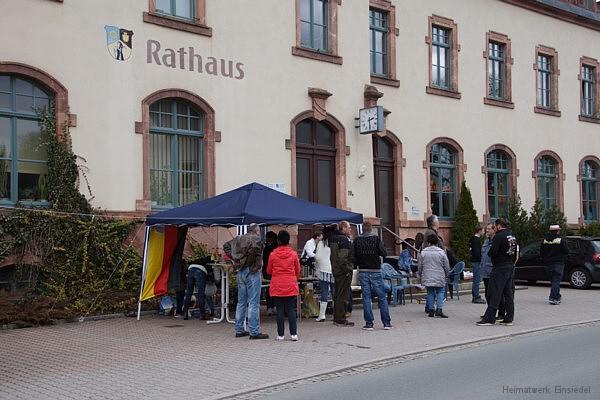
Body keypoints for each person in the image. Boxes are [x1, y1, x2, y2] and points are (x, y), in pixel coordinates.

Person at [231, 223, 268, 339]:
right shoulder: (257, 239)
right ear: (257, 230)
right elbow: (256, 253)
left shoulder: (240, 238)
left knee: (241, 302)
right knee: (253, 302)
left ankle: (239, 329)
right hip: (251, 272)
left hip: (240, 271)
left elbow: (227, 246)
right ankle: (254, 331)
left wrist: (236, 261)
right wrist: (253, 266)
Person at [477, 219, 517, 326]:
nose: (494, 228)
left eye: (494, 226)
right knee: (508, 293)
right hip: (510, 266)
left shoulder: (499, 236)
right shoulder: (511, 236)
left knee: (494, 292)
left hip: (500, 267)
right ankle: (509, 318)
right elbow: (514, 252)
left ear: (499, 226)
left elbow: (492, 252)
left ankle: (489, 318)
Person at [353, 222, 391, 330]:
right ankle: (386, 323)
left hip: (363, 270)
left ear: (362, 230)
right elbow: (384, 253)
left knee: (366, 298)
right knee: (382, 297)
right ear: (371, 230)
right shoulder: (376, 239)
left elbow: (353, 256)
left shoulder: (357, 240)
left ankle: (369, 323)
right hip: (376, 270)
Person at [267, 230, 301, 341]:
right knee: (291, 310)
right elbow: (298, 270)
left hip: (277, 284)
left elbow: (269, 271)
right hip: (290, 284)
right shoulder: (293, 254)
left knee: (280, 310)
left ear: (278, 241)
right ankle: (294, 334)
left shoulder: (273, 254)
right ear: (288, 241)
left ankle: (280, 335)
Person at [418, 234, 451, 318]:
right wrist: (447, 274)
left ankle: (431, 310)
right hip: (439, 275)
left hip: (427, 275)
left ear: (428, 242)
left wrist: (420, 274)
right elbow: (446, 265)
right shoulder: (441, 252)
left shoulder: (423, 252)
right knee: (440, 292)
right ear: (437, 242)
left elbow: (420, 265)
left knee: (430, 292)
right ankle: (439, 309)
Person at [330, 221, 355, 326]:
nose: (350, 230)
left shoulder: (334, 238)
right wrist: (348, 270)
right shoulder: (344, 240)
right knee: (343, 296)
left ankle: (337, 317)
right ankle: (341, 318)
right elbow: (343, 258)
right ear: (344, 228)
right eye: (349, 228)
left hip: (336, 270)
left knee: (338, 295)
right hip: (343, 272)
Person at [540, 224, 569, 305]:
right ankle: (553, 298)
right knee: (556, 281)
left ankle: (557, 295)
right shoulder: (560, 240)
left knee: (554, 281)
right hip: (558, 263)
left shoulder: (544, 240)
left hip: (548, 263)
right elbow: (566, 251)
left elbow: (541, 252)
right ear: (557, 231)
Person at [315, 226, 334, 322]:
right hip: (334, 270)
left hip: (323, 271)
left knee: (324, 292)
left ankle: (322, 314)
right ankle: (337, 313)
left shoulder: (321, 243)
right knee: (335, 292)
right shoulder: (334, 243)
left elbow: (317, 257)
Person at [262, 231, 278, 316]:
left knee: (272, 288)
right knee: (268, 288)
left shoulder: (274, 247)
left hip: (273, 270)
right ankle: (269, 307)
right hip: (267, 270)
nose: (267, 239)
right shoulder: (266, 247)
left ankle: (273, 306)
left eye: (268, 237)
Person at [471, 225, 486, 304]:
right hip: (477, 261)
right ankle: (476, 296)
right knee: (477, 279)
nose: (484, 232)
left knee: (476, 279)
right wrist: (481, 259)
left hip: (475, 261)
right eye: (483, 230)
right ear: (479, 231)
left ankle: (475, 295)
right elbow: (477, 252)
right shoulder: (476, 240)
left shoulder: (473, 239)